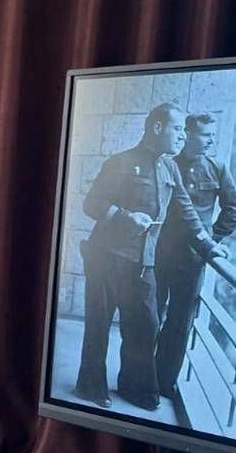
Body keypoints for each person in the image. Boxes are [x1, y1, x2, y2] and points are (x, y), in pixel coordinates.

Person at [74, 103, 226, 410]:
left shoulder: (169, 167)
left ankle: (135, 388)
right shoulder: (121, 162)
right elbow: (92, 204)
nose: (183, 136)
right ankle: (90, 387)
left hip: (143, 262)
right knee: (99, 325)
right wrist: (125, 217)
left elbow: (186, 211)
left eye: (184, 130)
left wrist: (209, 245)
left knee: (146, 325)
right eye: (178, 129)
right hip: (107, 257)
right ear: (157, 127)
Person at [154, 112, 236, 396]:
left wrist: (212, 240)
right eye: (205, 134)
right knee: (149, 317)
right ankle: (143, 378)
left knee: (179, 322)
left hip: (192, 259)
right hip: (160, 254)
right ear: (187, 134)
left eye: (213, 135)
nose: (211, 140)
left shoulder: (217, 168)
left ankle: (164, 383)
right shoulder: (167, 164)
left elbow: (232, 208)